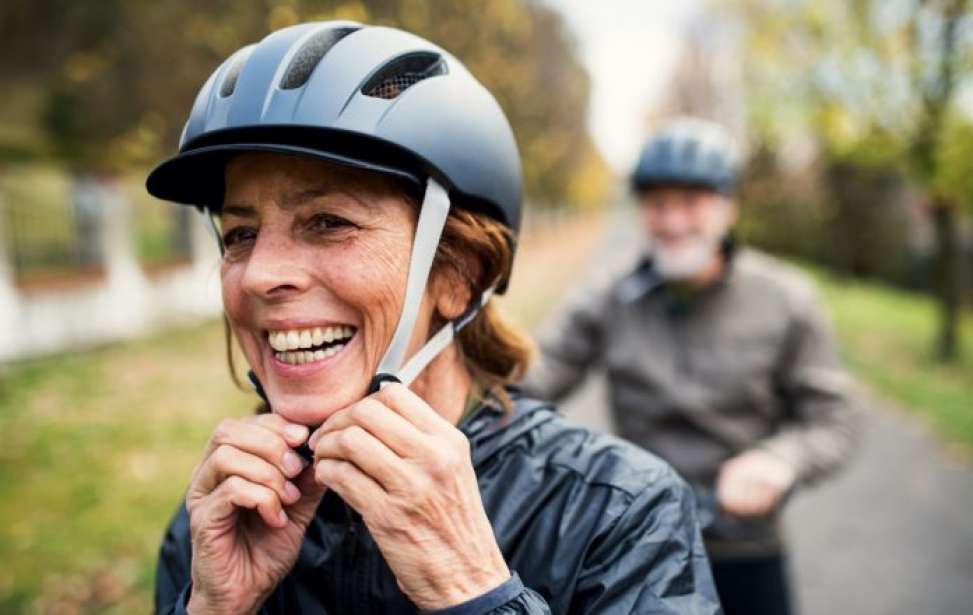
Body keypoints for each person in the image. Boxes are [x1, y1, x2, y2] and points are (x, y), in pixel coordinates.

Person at [147, 23, 721, 615]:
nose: (261, 275)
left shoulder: (622, 514)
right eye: (240, 234)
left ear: (459, 274)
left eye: (328, 222)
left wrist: (472, 589)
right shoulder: (218, 517)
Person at [522, 117, 861, 615]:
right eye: (659, 204)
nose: (674, 221)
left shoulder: (787, 299)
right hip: (637, 541)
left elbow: (835, 420)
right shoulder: (609, 295)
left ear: (729, 208)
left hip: (747, 544)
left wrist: (780, 460)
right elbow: (533, 376)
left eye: (692, 202)